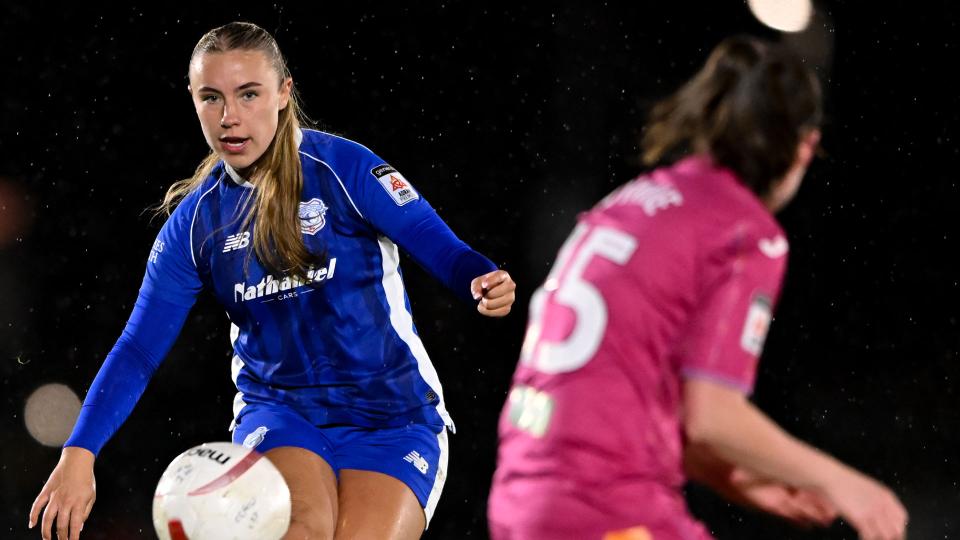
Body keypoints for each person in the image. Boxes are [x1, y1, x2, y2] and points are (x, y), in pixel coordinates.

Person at [29, 21, 516, 540]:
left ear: (284, 93)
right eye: (211, 98)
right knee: (300, 529)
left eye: (248, 94)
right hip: (283, 414)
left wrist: (478, 276)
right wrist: (79, 453)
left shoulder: (342, 170)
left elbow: (431, 238)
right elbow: (139, 349)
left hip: (392, 414)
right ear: (192, 100)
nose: (230, 117)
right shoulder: (195, 226)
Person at [488, 36, 907, 540]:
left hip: (521, 500)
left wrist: (736, 480)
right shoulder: (743, 229)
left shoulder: (630, 200)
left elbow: (618, 397)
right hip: (608, 507)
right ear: (806, 146)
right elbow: (712, 414)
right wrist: (845, 484)